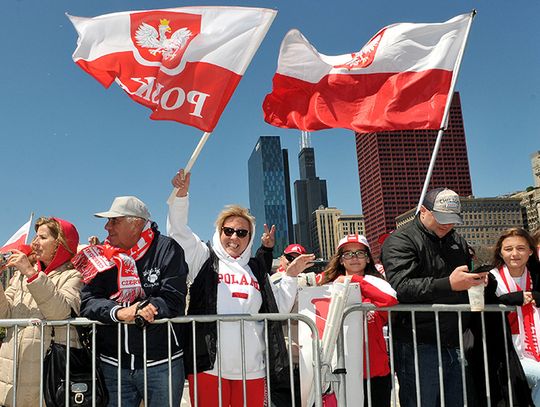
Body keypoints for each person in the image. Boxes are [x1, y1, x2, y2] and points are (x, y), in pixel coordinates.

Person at [168, 169, 313, 407]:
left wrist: (291, 276)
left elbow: (277, 308)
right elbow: (179, 233)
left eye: (242, 232)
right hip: (209, 366)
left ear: (249, 237)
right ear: (219, 232)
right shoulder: (204, 258)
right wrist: (181, 197)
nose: (234, 237)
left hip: (252, 368)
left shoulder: (255, 268)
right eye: (228, 230)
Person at [75, 196, 188, 407]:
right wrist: (119, 312)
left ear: (136, 223)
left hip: (162, 365)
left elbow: (173, 299)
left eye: (114, 220)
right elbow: (88, 301)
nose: (107, 227)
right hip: (113, 366)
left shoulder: (168, 249)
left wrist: (145, 309)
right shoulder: (103, 256)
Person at [381, 188, 486, 407]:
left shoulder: (457, 240)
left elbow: (462, 277)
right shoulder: (400, 241)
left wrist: (477, 280)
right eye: (441, 218)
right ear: (423, 211)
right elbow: (400, 287)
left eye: (452, 220)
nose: (446, 225)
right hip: (418, 341)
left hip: (455, 339)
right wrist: (449, 283)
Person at [0, 217, 82, 407]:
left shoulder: (74, 275)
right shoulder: (20, 275)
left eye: (42, 237)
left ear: (60, 244)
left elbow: (60, 313)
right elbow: (4, 315)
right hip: (12, 379)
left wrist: (31, 273)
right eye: (35, 237)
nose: (34, 243)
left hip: (48, 381)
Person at [317, 234, 398, 407]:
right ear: (340, 260)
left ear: (368, 258)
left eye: (360, 253)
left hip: (374, 370)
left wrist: (354, 280)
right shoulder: (328, 286)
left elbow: (390, 301)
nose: (354, 258)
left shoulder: (377, 282)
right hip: (340, 369)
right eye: (348, 254)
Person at [488, 228, 540, 405]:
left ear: (531, 251)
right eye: (508, 249)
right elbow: (483, 306)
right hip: (507, 356)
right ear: (500, 253)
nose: (515, 254)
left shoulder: (537, 277)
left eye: (521, 248)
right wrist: (509, 300)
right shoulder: (490, 279)